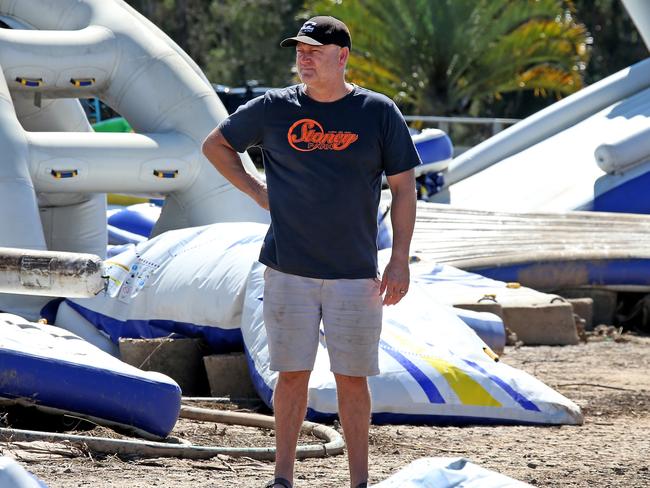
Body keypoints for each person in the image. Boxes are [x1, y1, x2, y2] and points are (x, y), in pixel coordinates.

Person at [202, 15, 421, 488]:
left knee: (353, 380)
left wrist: (399, 257)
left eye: (314, 50)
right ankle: (283, 479)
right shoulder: (274, 108)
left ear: (342, 56)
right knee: (292, 376)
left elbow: (404, 188)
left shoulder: (378, 112)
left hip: (356, 272)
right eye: (298, 49)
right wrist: (257, 190)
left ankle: (359, 481)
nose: (303, 57)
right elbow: (216, 145)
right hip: (287, 269)